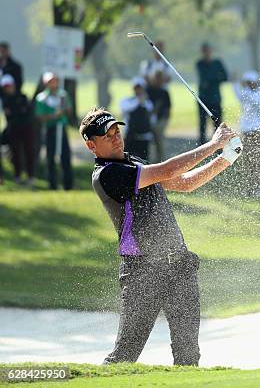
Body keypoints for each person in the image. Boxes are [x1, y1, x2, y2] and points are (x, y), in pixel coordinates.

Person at [79, 108, 241, 366]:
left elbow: (184, 182)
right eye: (106, 135)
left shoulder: (132, 163)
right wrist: (213, 145)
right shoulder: (107, 175)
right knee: (125, 355)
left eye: (116, 131)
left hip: (179, 265)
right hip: (143, 273)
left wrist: (226, 157)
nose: (115, 137)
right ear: (91, 145)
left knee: (188, 354)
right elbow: (167, 170)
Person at [34, 72, 73, 190]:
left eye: (55, 80)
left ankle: (68, 185)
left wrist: (64, 110)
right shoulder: (42, 98)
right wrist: (55, 116)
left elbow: (70, 112)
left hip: (62, 128)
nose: (54, 83)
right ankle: (52, 185)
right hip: (50, 129)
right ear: (46, 83)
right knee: (50, 157)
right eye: (51, 81)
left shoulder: (63, 95)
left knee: (65, 156)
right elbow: (40, 116)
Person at [233, 71, 260, 197]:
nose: (249, 84)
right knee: (248, 159)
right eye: (248, 82)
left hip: (255, 130)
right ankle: (250, 187)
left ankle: (257, 187)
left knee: (255, 159)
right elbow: (236, 92)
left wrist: (242, 86)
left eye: (250, 82)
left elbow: (253, 101)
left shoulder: (258, 94)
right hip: (246, 131)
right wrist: (236, 81)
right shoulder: (246, 93)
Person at [1, 74, 35, 185]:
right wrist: (20, 111)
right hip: (13, 128)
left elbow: (26, 112)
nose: (8, 88)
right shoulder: (5, 100)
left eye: (9, 86)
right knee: (15, 152)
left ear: (13, 85)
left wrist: (17, 111)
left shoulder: (22, 96)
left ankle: (30, 176)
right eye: (5, 87)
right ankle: (17, 176)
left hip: (26, 127)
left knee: (28, 151)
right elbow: (14, 114)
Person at [195, 43, 228, 145]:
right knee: (202, 125)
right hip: (203, 99)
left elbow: (225, 77)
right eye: (205, 51)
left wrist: (212, 79)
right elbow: (205, 78)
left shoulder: (217, 63)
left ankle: (218, 146)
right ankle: (202, 147)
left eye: (208, 50)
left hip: (215, 99)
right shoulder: (199, 63)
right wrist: (216, 77)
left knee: (217, 124)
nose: (207, 53)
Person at [120, 77, 155, 160]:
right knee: (128, 159)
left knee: (143, 160)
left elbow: (152, 119)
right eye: (136, 88)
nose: (138, 90)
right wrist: (139, 101)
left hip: (144, 137)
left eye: (140, 88)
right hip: (131, 136)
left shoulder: (148, 103)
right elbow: (126, 108)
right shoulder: (127, 101)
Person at [146, 71, 172, 162]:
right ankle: (149, 161)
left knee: (159, 141)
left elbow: (168, 108)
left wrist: (164, 119)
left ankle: (161, 161)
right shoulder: (148, 90)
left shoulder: (164, 92)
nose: (158, 80)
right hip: (148, 120)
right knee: (149, 141)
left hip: (160, 120)